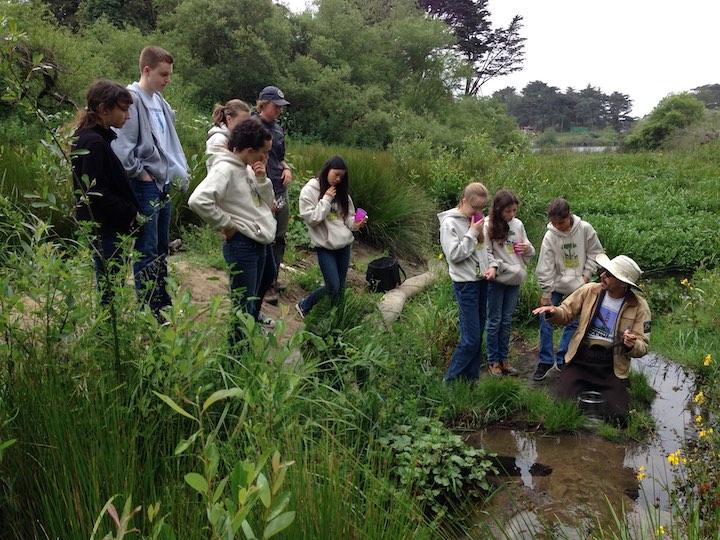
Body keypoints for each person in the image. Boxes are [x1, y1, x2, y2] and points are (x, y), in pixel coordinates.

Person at [111, 45, 189, 321]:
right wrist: (140, 173)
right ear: (146, 70)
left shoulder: (160, 102)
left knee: (160, 246)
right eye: (163, 74)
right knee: (147, 247)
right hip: (145, 183)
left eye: (169, 75)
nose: (167, 80)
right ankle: (149, 310)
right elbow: (122, 147)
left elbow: (167, 143)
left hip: (162, 181)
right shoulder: (133, 99)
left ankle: (161, 301)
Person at [532, 254, 651, 420]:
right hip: (581, 359)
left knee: (619, 416)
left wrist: (631, 344)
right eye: (603, 271)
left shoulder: (639, 306)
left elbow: (643, 346)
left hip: (612, 365)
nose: (602, 275)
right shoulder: (590, 290)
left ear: (623, 283)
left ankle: (615, 390)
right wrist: (553, 312)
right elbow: (565, 312)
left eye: (608, 274)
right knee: (561, 404)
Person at [188, 119, 275, 346]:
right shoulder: (225, 169)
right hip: (243, 244)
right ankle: (235, 353)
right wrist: (226, 224)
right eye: (263, 153)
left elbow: (269, 203)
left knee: (266, 278)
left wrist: (262, 179)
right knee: (243, 303)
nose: (265, 158)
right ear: (248, 150)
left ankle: (247, 334)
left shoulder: (247, 168)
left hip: (260, 240)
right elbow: (198, 200)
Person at [71, 80, 139, 305]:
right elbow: (95, 192)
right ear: (103, 109)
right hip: (106, 228)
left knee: (111, 285)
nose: (127, 116)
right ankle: (108, 336)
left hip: (106, 226)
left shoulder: (92, 138)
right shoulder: (94, 142)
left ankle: (110, 334)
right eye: (123, 109)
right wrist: (129, 211)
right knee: (111, 289)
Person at [533, 198, 604, 381]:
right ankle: (545, 360)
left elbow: (596, 253)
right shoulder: (550, 236)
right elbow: (545, 265)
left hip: (579, 284)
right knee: (546, 319)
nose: (559, 227)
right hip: (556, 284)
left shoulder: (585, 229)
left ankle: (563, 358)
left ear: (569, 215)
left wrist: (586, 276)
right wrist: (546, 293)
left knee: (573, 323)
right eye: (555, 223)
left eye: (562, 222)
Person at [438, 182, 497, 382]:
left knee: (478, 333)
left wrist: (491, 266)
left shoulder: (476, 220)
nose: (478, 212)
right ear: (464, 201)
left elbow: (484, 250)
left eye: (482, 208)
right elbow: (454, 255)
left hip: (481, 281)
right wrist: (472, 232)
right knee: (470, 339)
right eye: (475, 207)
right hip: (466, 284)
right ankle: (450, 381)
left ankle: (470, 380)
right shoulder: (450, 224)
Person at [296, 155, 365, 318]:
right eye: (336, 174)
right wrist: (326, 199)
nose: (338, 179)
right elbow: (312, 219)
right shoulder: (310, 190)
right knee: (333, 285)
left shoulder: (342, 193)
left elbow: (347, 218)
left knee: (340, 288)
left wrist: (357, 223)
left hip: (344, 245)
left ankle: (336, 320)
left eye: (342, 176)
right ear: (327, 171)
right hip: (325, 246)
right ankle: (305, 305)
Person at [485, 189, 535, 376]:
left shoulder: (518, 225)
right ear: (498, 209)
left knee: (506, 321)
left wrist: (527, 248)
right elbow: (486, 253)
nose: (511, 215)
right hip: (497, 279)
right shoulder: (488, 225)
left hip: (515, 279)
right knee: (494, 321)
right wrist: (498, 266)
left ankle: (504, 359)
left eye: (514, 210)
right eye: (508, 211)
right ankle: (493, 361)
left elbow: (529, 251)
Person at [254, 85, 292, 304]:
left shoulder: (278, 128)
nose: (279, 110)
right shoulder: (252, 125)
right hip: (261, 189)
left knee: (279, 236)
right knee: (265, 235)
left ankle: (273, 278)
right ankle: (264, 284)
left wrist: (286, 168)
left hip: (280, 187)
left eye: (281, 107)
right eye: (275, 106)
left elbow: (280, 157)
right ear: (263, 104)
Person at [206, 99, 251, 170]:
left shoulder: (235, 138)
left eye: (248, 123)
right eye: (242, 123)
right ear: (229, 119)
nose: (245, 127)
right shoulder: (218, 140)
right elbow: (222, 169)